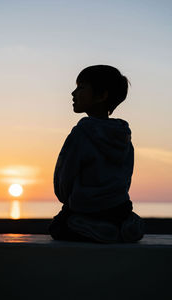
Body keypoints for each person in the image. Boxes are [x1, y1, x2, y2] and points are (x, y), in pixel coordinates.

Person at [48, 65, 144, 243]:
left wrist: (67, 199)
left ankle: (88, 227)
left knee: (58, 227)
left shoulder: (82, 132)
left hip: (86, 206)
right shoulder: (123, 135)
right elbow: (126, 176)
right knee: (119, 218)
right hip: (118, 207)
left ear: (102, 95)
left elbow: (64, 175)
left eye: (81, 87)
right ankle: (125, 225)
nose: (73, 93)